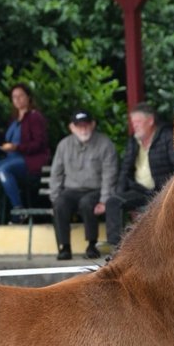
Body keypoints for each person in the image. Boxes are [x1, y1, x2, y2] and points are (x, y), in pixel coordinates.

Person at [107, 103, 174, 248]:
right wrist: (119, 194)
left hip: (163, 190)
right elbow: (125, 170)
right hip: (140, 190)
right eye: (133, 122)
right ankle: (116, 249)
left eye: (138, 122)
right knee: (113, 202)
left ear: (150, 121)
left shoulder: (167, 136)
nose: (134, 126)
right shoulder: (134, 141)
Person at [49, 110, 119, 261]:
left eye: (86, 125)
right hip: (71, 190)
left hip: (95, 190)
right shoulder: (64, 145)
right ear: (72, 127)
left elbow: (109, 174)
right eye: (78, 126)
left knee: (87, 203)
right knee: (60, 203)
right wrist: (54, 197)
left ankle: (92, 245)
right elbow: (56, 174)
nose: (83, 129)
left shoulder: (105, 144)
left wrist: (104, 200)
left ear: (92, 125)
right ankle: (64, 247)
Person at [0, 83, 50, 215]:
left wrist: (17, 147)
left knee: (4, 169)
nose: (17, 99)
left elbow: (39, 144)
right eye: (14, 97)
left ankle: (19, 210)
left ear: (28, 97)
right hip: (11, 158)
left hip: (29, 160)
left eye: (21, 96)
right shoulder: (14, 118)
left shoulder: (35, 117)